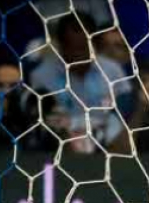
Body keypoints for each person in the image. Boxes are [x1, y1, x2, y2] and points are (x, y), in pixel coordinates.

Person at [28, 13, 132, 153]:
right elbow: (41, 124)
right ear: (61, 46)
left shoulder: (112, 70)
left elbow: (124, 113)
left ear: (95, 44)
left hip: (107, 150)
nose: (80, 56)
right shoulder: (42, 75)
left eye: (84, 49)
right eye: (74, 49)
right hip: (57, 153)